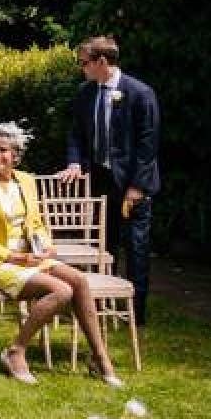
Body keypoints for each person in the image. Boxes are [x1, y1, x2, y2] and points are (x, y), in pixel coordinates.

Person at [0, 123, 123, 387]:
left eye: (3, 150)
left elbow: (36, 223)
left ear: (15, 154)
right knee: (62, 291)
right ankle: (16, 351)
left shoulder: (26, 181)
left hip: (32, 257)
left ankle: (99, 357)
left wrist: (45, 245)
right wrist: (15, 257)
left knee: (79, 281)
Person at [60, 36, 160, 325]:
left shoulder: (140, 93)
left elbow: (148, 144)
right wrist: (75, 162)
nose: (81, 68)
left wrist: (137, 186)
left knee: (136, 247)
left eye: (84, 63)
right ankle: (99, 306)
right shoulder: (85, 93)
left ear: (102, 61)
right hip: (101, 181)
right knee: (104, 245)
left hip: (131, 184)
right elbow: (76, 133)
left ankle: (135, 313)